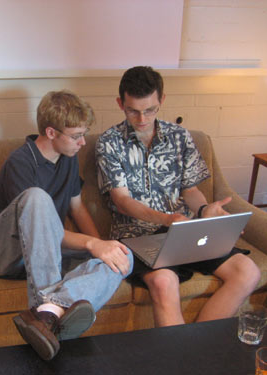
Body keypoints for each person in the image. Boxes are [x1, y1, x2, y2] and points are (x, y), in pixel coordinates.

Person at [0, 90, 133, 360]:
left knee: (122, 255)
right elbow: (37, 234)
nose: (83, 142)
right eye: (76, 136)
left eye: (84, 133)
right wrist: (91, 243)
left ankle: (50, 314)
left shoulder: (68, 158)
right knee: (37, 198)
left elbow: (77, 207)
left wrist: (103, 247)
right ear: (50, 132)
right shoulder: (20, 162)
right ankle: (44, 307)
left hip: (41, 256)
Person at [95, 66, 260, 328]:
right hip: (137, 235)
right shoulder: (109, 142)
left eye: (150, 109)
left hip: (184, 229)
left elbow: (190, 191)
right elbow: (121, 201)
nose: (142, 118)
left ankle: (195, 352)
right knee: (163, 281)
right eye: (133, 111)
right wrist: (167, 218)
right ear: (120, 104)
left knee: (248, 272)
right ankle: (185, 359)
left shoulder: (180, 137)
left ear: (162, 100)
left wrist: (205, 210)